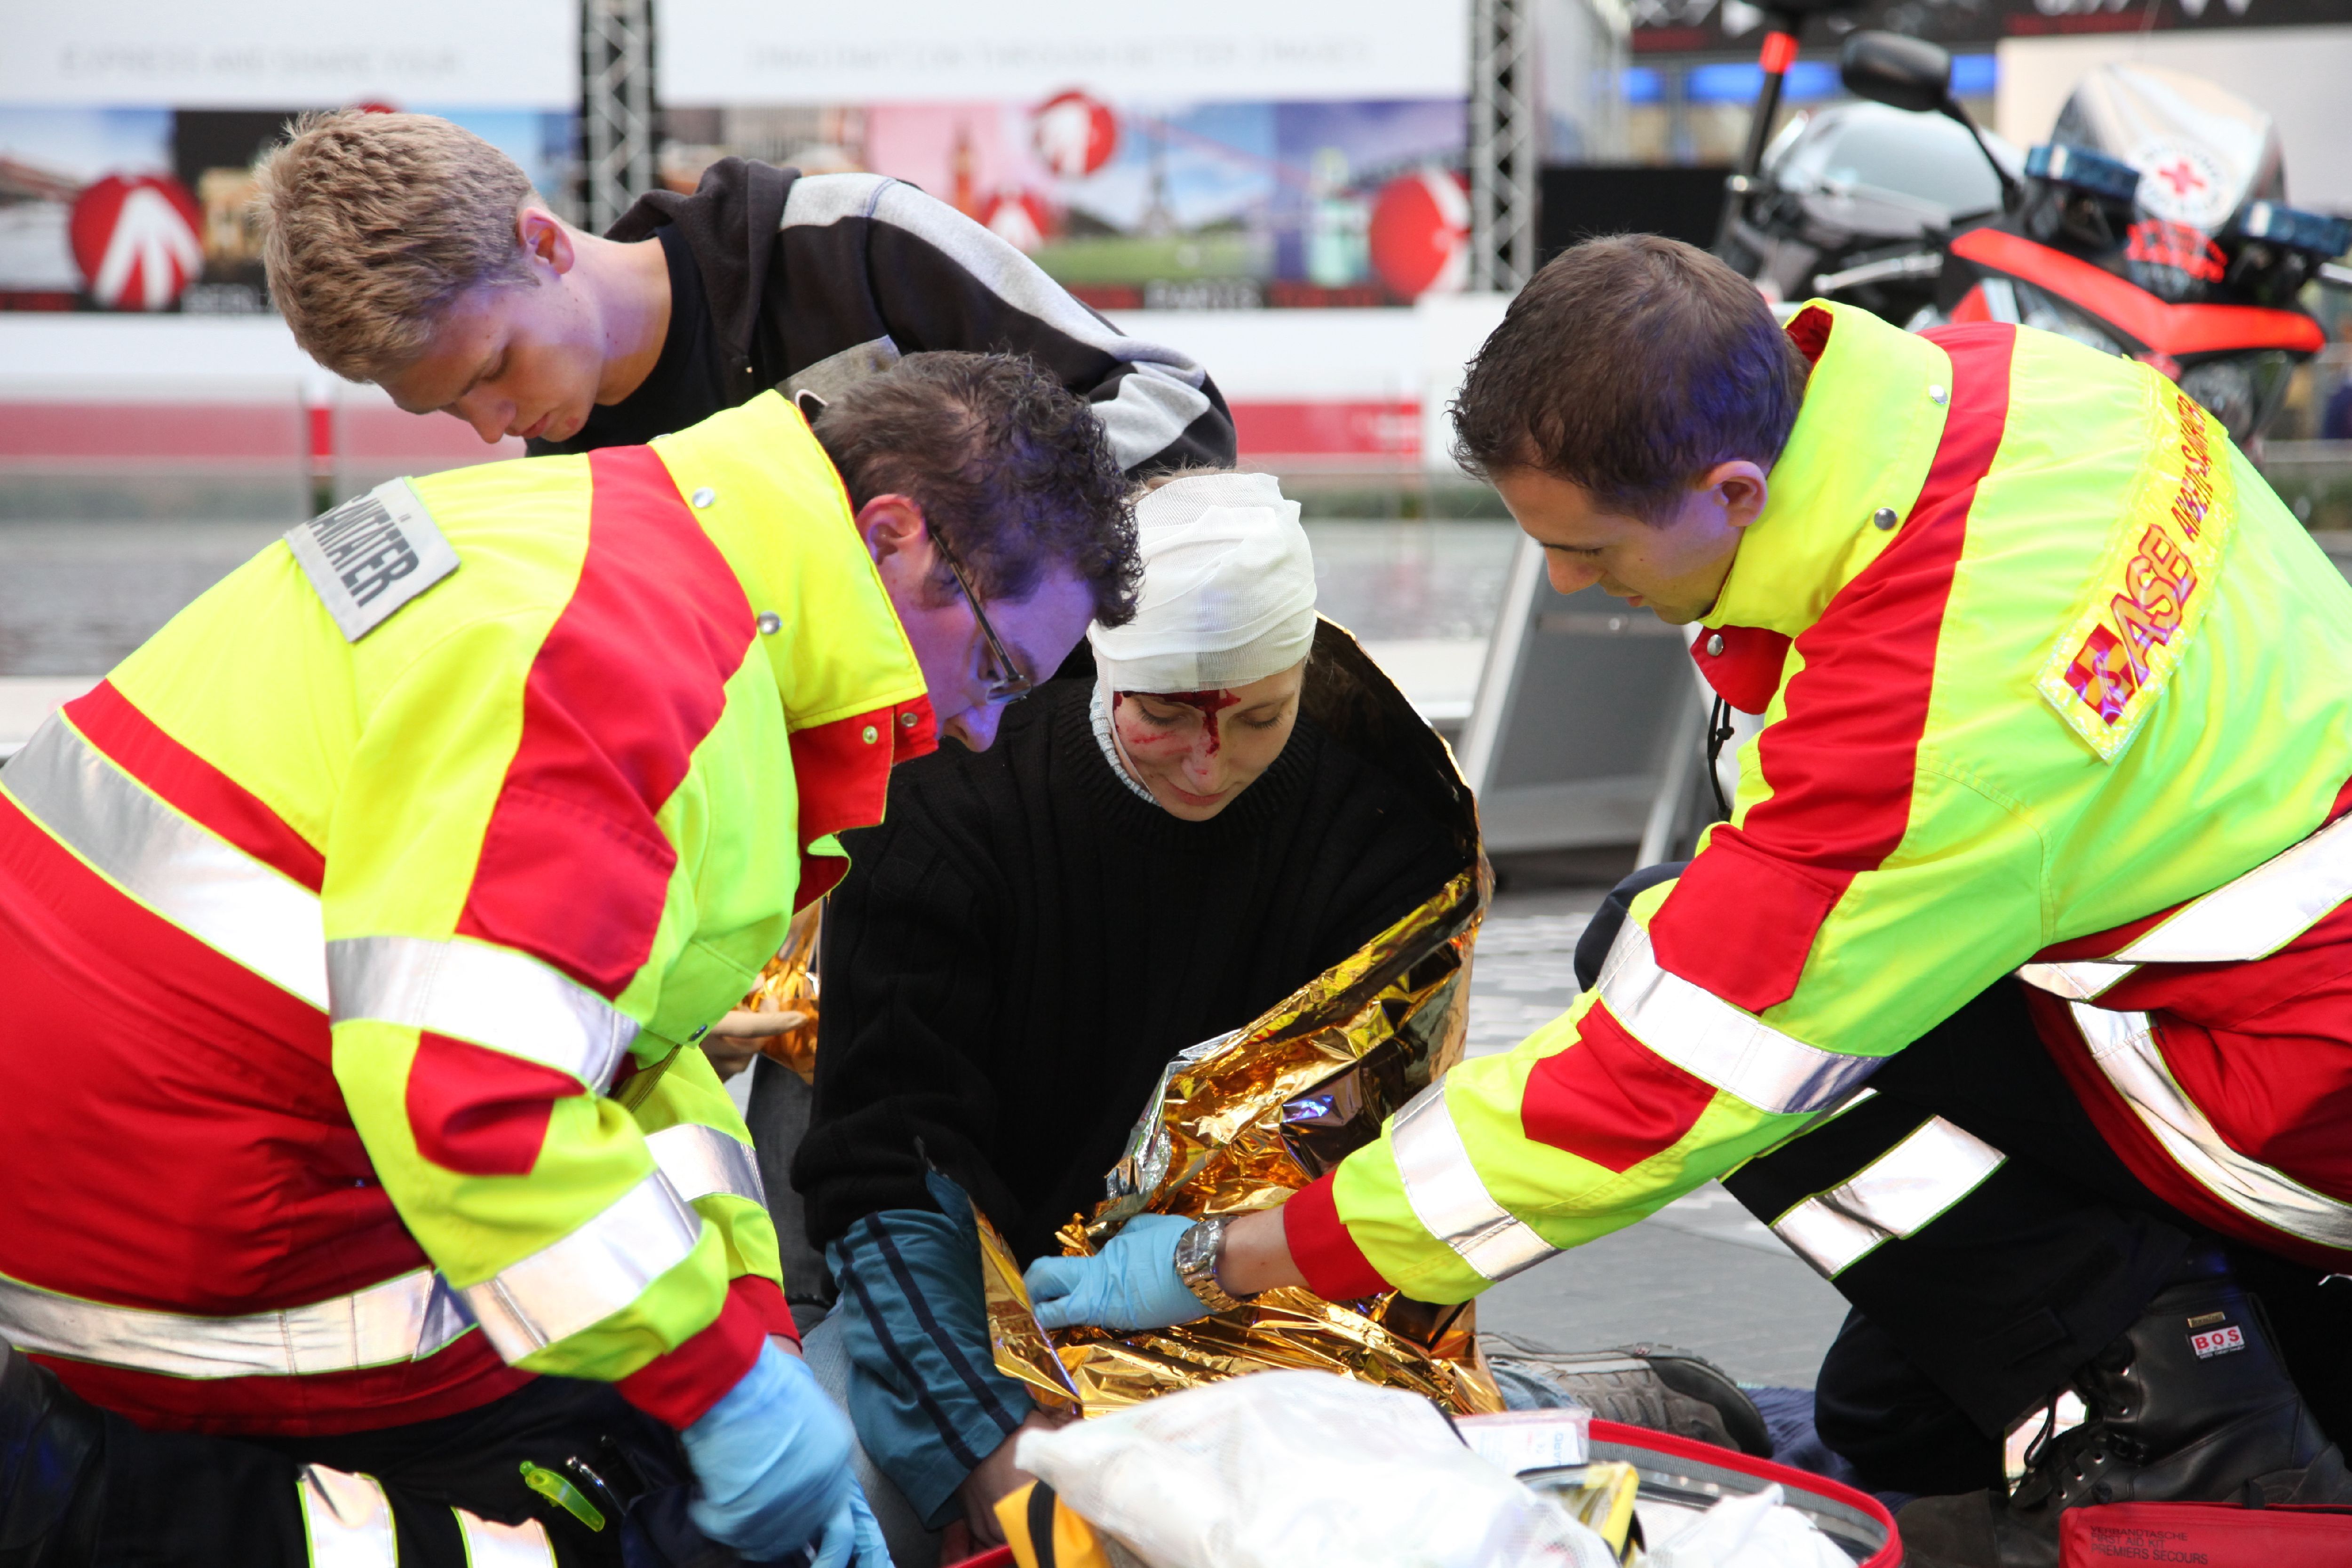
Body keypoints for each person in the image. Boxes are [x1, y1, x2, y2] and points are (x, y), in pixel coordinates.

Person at [1017, 236, 2352, 1567]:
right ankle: (2085, 1375)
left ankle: (2200, 1433)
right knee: (1891, 1417)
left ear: (1733, 486)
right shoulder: (2026, 393)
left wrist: (1249, 1252)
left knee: (1697, 1005)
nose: (1570, 586)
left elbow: (1651, 1086)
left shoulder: (1937, 719)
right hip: (2251, 967)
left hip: (2284, 1090)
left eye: (1588, 545)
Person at [0, 352, 1136, 1567]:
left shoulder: (635, 543)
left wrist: (756, 1332)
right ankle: (106, 1507)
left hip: (127, 1134)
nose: (981, 729)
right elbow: (473, 1099)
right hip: (184, 1235)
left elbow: (634, 1054)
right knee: (634, 1509)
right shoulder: (634, 669)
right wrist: (718, 1386)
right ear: (895, 534)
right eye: (1002, 671)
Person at [786, 472, 1471, 1565]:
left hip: (1254, 1286)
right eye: (1162, 717)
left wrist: (1215, 1277)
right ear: (1104, 666)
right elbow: (887, 1162)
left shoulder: (1381, 829)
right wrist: (986, 1438)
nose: (1211, 761)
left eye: (1261, 717)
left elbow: (1373, 1159)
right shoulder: (952, 799)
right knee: (834, 1499)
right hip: (964, 1284)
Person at [253, 111, 1233, 477]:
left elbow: (1179, 411)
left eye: (494, 368)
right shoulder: (573, 492)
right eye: (450, 407)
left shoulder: (852, 239)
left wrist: (962, 520)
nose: (490, 425)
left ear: (544, 243)